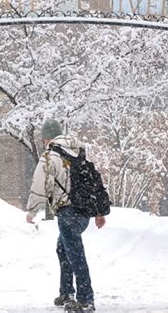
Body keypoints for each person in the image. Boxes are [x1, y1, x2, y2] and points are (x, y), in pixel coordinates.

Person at [25, 119, 106, 312]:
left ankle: (86, 299)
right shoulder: (78, 153)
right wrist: (98, 212)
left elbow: (40, 186)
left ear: (46, 138)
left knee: (75, 254)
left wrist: (31, 211)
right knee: (64, 249)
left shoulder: (50, 156)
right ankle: (66, 292)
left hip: (68, 212)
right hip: (84, 212)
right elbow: (92, 183)